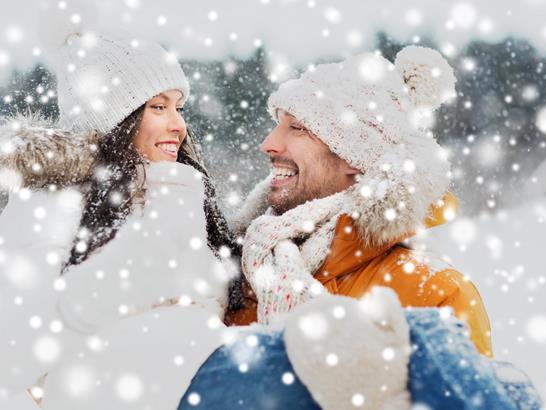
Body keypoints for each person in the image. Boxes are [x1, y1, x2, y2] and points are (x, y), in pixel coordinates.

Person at [0, 32, 241, 408]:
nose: (179, 124)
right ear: (114, 118)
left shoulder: (184, 194)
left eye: (179, 107)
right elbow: (14, 358)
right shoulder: (49, 207)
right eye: (158, 107)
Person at [225, 46, 493, 357]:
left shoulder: (434, 296)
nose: (268, 143)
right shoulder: (239, 269)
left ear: (355, 157)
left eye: (296, 128)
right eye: (278, 124)